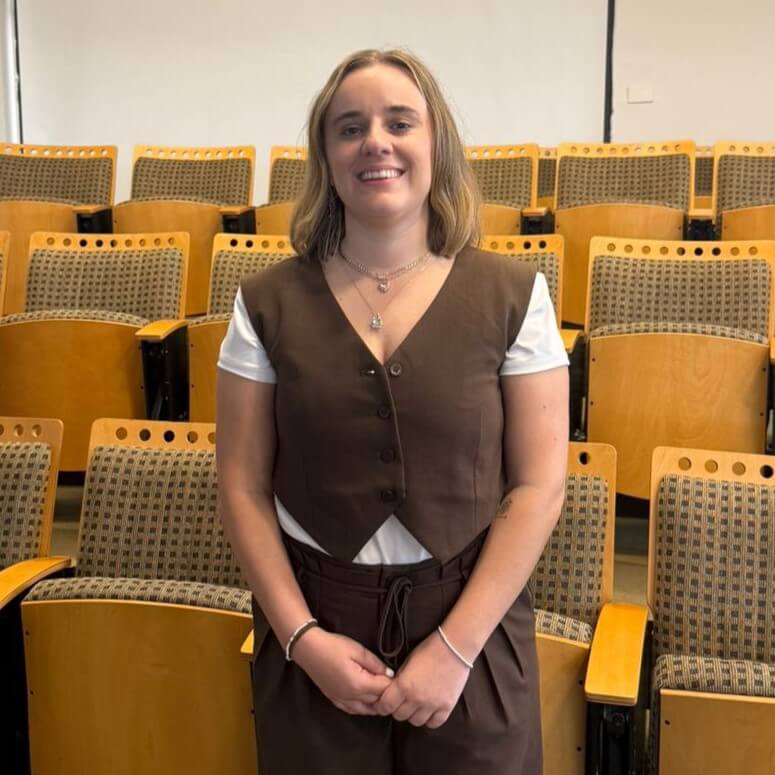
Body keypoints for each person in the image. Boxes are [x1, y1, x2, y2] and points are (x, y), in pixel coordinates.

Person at [216, 48, 569, 775]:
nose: (375, 141)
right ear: (326, 156)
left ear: (436, 143)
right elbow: (242, 487)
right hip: (315, 632)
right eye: (350, 128)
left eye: (399, 123)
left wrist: (453, 648)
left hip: (471, 631)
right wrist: (303, 638)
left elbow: (539, 486)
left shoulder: (515, 295)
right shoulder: (263, 304)